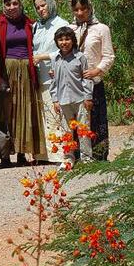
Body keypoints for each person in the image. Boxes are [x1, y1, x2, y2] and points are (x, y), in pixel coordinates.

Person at [0, 0, 47, 166]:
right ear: (4, 6)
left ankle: (23, 153)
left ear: (20, 4)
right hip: (7, 68)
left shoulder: (29, 23)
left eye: (15, 3)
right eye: (8, 4)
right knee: (6, 111)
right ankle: (5, 154)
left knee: (24, 111)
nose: (12, 7)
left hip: (25, 69)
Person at [70, 0, 115, 161]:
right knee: (76, 120)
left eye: (83, 8)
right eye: (76, 9)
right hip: (74, 83)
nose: (80, 13)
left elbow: (109, 56)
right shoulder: (71, 29)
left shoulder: (101, 29)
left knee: (96, 118)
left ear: (90, 8)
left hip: (94, 81)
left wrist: (97, 70)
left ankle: (99, 154)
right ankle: (78, 155)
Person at [49, 26, 94, 170]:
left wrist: (88, 97)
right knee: (66, 132)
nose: (64, 42)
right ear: (57, 42)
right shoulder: (55, 59)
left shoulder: (80, 57)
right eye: (60, 40)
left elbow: (86, 79)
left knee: (83, 129)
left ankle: (87, 158)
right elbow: (54, 81)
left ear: (72, 40)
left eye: (67, 39)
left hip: (80, 99)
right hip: (63, 101)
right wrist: (55, 100)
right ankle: (68, 158)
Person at [32, 0, 69, 163]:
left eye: (43, 5)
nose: (41, 9)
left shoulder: (61, 24)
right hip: (39, 77)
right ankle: (44, 155)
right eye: (38, 7)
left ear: (50, 4)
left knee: (57, 116)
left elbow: (65, 49)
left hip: (55, 76)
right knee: (43, 117)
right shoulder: (36, 27)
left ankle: (61, 154)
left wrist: (42, 57)